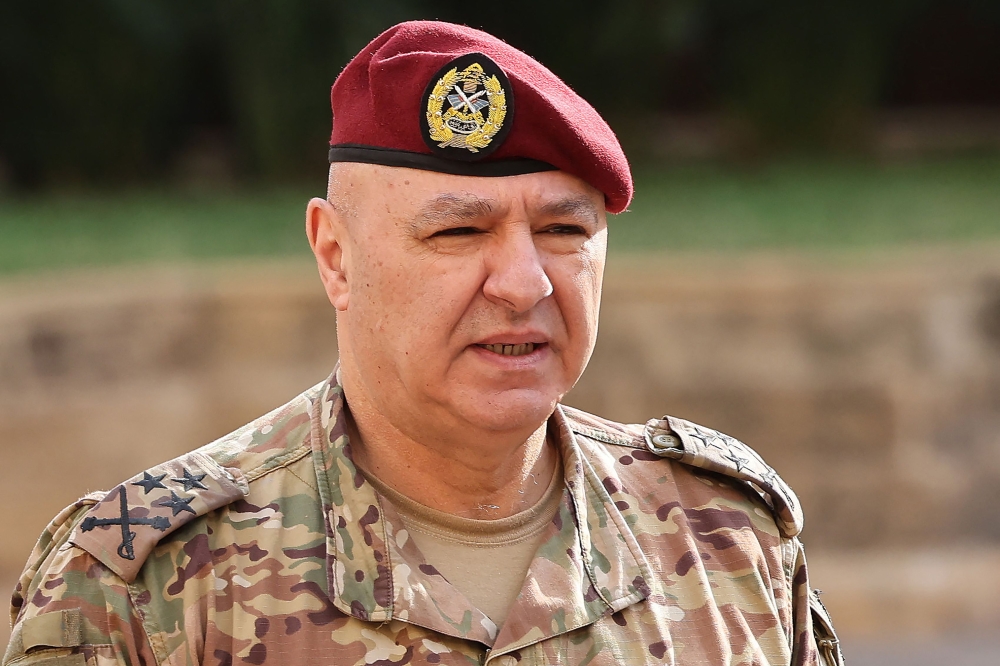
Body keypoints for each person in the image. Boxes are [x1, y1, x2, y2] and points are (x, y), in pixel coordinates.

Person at [3, 21, 843, 666]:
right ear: (336, 257)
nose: (523, 282)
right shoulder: (145, 587)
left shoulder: (726, 538)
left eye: (562, 228)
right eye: (457, 233)